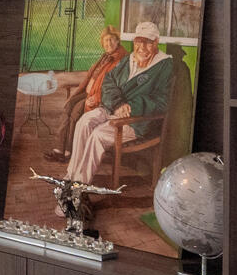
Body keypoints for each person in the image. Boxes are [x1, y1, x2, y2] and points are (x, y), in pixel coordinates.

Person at [68, 21, 178, 184]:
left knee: (98, 135)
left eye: (147, 42)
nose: (141, 47)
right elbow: (108, 81)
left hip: (136, 121)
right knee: (84, 122)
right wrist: (118, 104)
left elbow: (162, 101)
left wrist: (132, 106)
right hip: (112, 109)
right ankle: (70, 176)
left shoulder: (164, 65)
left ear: (156, 43)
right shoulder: (129, 59)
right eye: (138, 41)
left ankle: (78, 186)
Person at [45, 24, 125, 162]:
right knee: (69, 106)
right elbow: (90, 77)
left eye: (111, 39)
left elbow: (114, 86)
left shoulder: (121, 59)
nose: (108, 43)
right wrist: (74, 95)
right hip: (88, 92)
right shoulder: (106, 56)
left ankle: (70, 152)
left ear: (118, 41)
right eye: (105, 40)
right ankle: (59, 149)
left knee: (76, 112)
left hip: (99, 98)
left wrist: (97, 98)